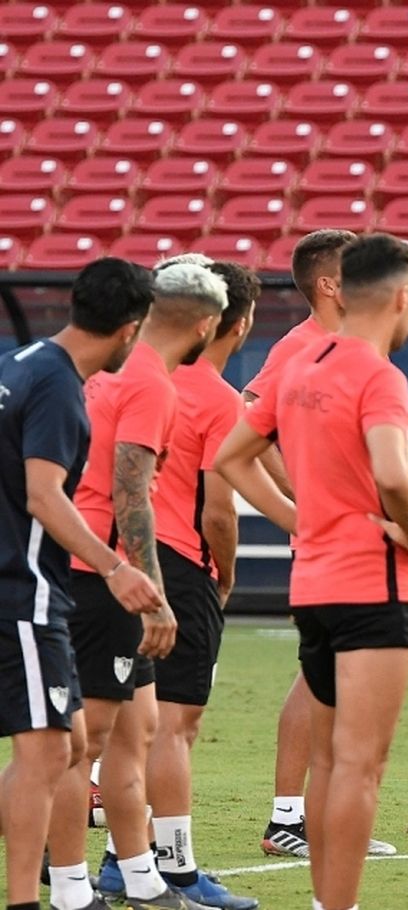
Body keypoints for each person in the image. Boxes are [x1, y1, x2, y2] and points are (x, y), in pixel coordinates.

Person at [216, 232, 408, 910]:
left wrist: (302, 514)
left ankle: (318, 881)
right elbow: (394, 472)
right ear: (397, 296)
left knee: (332, 752)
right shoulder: (367, 369)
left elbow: (232, 453)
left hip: (317, 580)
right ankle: (324, 883)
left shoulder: (309, 363)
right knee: (359, 761)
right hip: (369, 575)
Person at [48, 263, 225, 910]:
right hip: (100, 576)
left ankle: (141, 874)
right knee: (83, 743)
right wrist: (151, 591)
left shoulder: (101, 370)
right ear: (206, 324)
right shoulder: (152, 382)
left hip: (77, 562)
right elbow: (131, 493)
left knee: (139, 728)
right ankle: (69, 884)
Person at [2, 258, 164, 910]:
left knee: (68, 744)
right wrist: (115, 566)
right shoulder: (59, 388)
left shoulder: (20, 361)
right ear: (130, 329)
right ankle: (22, 903)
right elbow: (45, 497)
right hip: (25, 592)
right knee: (46, 755)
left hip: (19, 587)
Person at [245, 229, 397, 859]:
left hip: (357, 534)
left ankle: (307, 815)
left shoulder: (353, 344)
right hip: (332, 536)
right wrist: (305, 500)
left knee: (330, 670)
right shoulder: (301, 346)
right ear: (330, 284)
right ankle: (288, 818)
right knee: (323, 671)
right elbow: (249, 418)